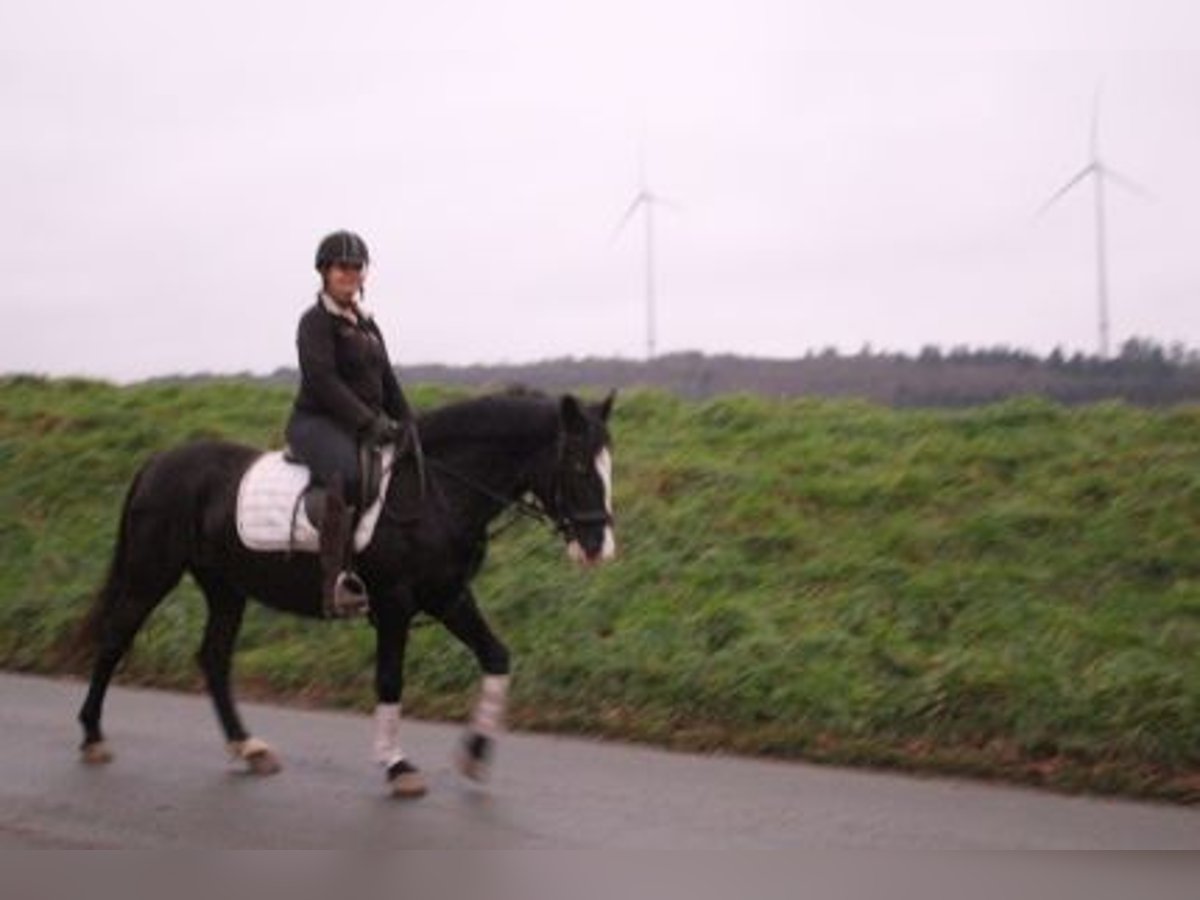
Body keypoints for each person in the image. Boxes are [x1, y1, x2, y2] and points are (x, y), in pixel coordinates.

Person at [286, 230, 415, 617]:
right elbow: (324, 382)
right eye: (343, 267)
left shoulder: (367, 325)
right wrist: (368, 422)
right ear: (325, 271)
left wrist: (410, 423)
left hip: (359, 424)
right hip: (316, 422)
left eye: (357, 267)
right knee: (349, 474)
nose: (350, 274)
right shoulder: (314, 322)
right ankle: (337, 582)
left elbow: (388, 381)